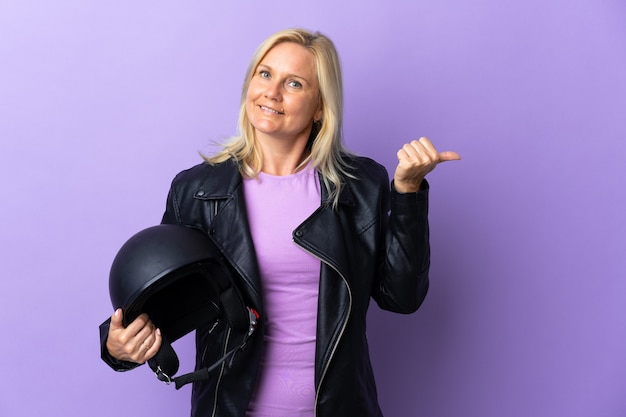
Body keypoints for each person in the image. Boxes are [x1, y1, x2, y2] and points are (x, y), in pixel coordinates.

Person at [99, 28, 460, 417]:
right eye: (265, 74)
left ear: (320, 106)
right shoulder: (197, 190)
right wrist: (116, 345)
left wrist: (407, 191)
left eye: (294, 82)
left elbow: (402, 298)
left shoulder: (362, 186)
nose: (272, 92)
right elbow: (164, 301)